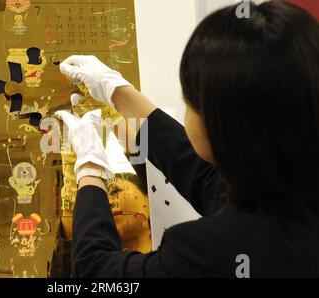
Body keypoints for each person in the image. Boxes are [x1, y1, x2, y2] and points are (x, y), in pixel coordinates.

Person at [55, 1, 319, 278]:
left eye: (190, 100)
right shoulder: (291, 195)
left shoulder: (207, 252)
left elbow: (96, 274)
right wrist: (117, 92)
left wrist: (89, 167)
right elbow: (208, 182)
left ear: (220, 126)